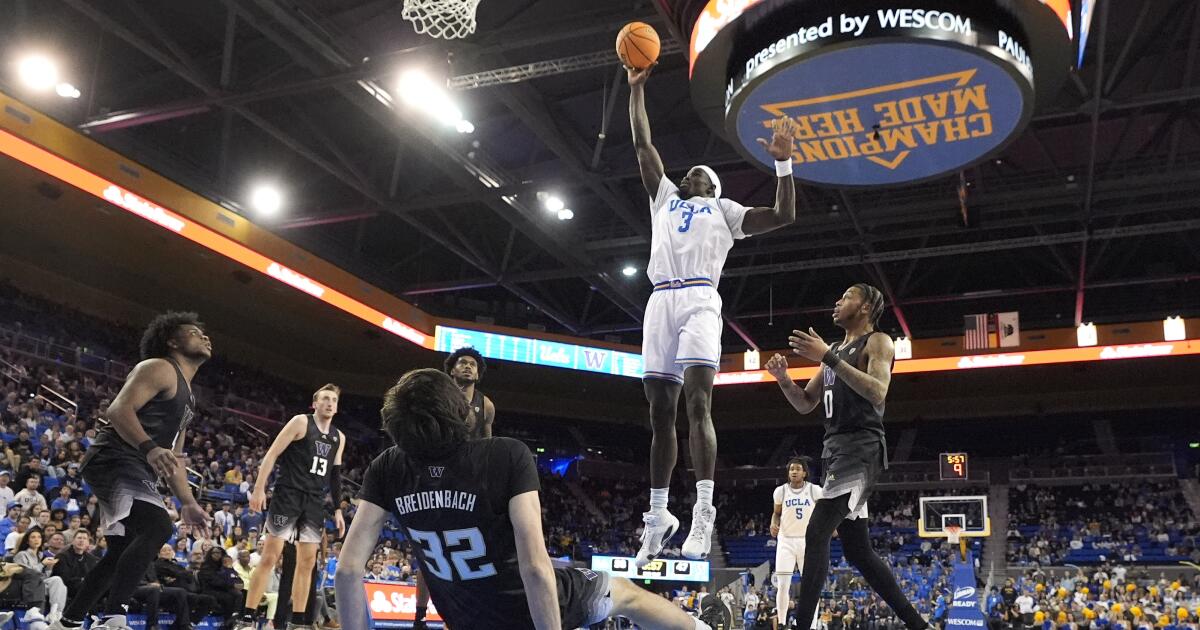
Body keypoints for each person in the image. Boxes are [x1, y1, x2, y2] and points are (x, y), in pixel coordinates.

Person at [335, 368, 733, 630]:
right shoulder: (505, 454)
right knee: (623, 591)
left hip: (463, 615)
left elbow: (349, 571)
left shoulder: (387, 466)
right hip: (524, 609)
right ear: (460, 410)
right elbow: (535, 568)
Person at [626, 62, 797, 566]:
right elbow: (642, 145)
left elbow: (784, 216)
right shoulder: (664, 199)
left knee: (697, 405)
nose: (688, 174)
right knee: (659, 414)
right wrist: (636, 91)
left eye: (699, 174)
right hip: (659, 300)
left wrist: (783, 166)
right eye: (688, 172)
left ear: (714, 187)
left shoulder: (724, 211)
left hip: (700, 298)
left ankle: (703, 512)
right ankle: (659, 517)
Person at [765, 284, 929, 630]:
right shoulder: (835, 349)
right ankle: (919, 625)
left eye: (847, 296)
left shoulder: (878, 341)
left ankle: (802, 625)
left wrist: (828, 357)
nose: (838, 302)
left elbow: (878, 391)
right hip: (835, 451)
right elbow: (805, 403)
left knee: (817, 530)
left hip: (861, 448)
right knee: (858, 552)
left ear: (866, 306)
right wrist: (783, 380)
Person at [49, 312, 213, 630]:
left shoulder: (189, 397)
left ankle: (67, 622)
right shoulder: (159, 367)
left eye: (205, 334)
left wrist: (189, 502)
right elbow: (118, 409)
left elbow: (176, 459)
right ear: (172, 341)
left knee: (121, 550)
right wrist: (149, 447)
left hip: (134, 463)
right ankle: (114, 618)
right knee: (157, 527)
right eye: (194, 332)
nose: (204, 337)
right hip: (115, 457)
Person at [235, 384, 346, 630]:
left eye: (334, 400)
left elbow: (336, 476)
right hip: (288, 495)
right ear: (314, 403)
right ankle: (248, 617)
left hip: (315, 501)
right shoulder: (300, 422)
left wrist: (338, 509)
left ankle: (298, 622)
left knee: (308, 562)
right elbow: (272, 454)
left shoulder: (339, 437)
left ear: (337, 407)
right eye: (325, 398)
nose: (329, 403)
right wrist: (259, 488)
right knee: (270, 557)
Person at [770, 456, 823, 629]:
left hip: (808, 542)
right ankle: (783, 623)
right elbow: (776, 513)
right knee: (783, 585)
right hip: (786, 541)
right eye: (791, 468)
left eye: (797, 469)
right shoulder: (781, 491)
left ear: (805, 473)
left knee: (811, 587)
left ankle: (812, 625)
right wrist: (773, 522)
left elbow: (825, 511)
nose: (794, 471)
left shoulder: (815, 490)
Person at [443, 347, 495, 439]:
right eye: (462, 363)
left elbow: (488, 444)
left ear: (477, 375)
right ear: (452, 371)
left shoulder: (487, 405)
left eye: (472, 364)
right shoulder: (440, 397)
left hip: (472, 452)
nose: (468, 366)